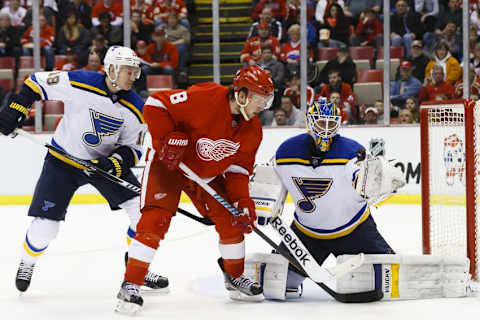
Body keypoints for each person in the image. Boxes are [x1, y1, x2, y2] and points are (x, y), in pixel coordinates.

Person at [0, 46, 168, 295]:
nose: (134, 77)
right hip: (63, 161)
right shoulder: (80, 81)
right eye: (128, 71)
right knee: (45, 228)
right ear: (111, 69)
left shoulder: (137, 107)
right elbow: (36, 82)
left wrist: (114, 163)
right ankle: (28, 262)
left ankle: (137, 267)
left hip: (103, 166)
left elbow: (133, 149)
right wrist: (17, 107)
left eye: (136, 72)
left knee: (141, 213)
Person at [117, 65, 274, 314]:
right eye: (260, 99)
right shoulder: (207, 96)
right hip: (167, 165)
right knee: (155, 221)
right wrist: (165, 140)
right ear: (242, 95)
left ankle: (234, 276)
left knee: (231, 219)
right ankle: (131, 284)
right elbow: (155, 104)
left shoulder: (252, 130)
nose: (263, 107)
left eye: (267, 100)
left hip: (206, 175)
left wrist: (242, 201)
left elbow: (238, 171)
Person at [271, 98, 395, 297]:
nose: (326, 129)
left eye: (331, 123)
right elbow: (272, 180)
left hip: (354, 230)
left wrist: (373, 182)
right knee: (277, 283)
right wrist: (266, 202)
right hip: (306, 234)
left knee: (388, 280)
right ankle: (295, 277)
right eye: (321, 123)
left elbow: (361, 175)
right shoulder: (286, 151)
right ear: (310, 123)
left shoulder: (350, 150)